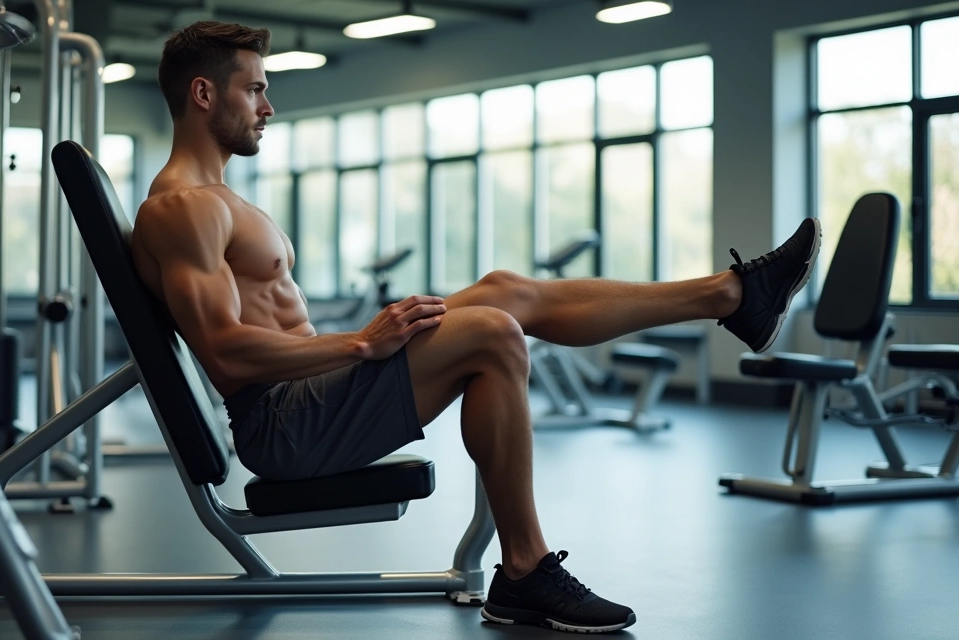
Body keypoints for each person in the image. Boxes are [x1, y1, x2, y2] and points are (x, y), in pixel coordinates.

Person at [132, 21, 820, 634]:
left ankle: (731, 295)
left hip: (317, 389)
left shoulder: (215, 200)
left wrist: (356, 347)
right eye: (254, 89)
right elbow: (224, 355)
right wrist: (361, 342)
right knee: (492, 331)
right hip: (286, 423)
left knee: (504, 291)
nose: (268, 106)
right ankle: (524, 567)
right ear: (202, 94)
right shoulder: (183, 208)